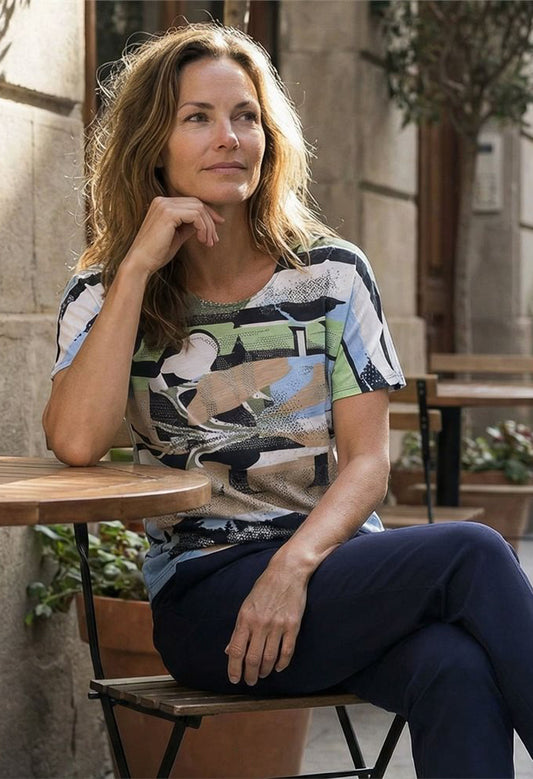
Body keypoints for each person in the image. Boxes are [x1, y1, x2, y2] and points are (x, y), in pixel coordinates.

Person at [43, 22, 533, 779]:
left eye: (245, 115)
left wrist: (292, 566)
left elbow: (369, 461)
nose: (228, 137)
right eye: (197, 117)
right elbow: (76, 441)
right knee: (470, 549)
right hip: (206, 600)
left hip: (333, 570)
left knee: (454, 669)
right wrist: (137, 268)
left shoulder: (333, 275)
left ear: (269, 134)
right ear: (154, 142)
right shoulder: (104, 292)